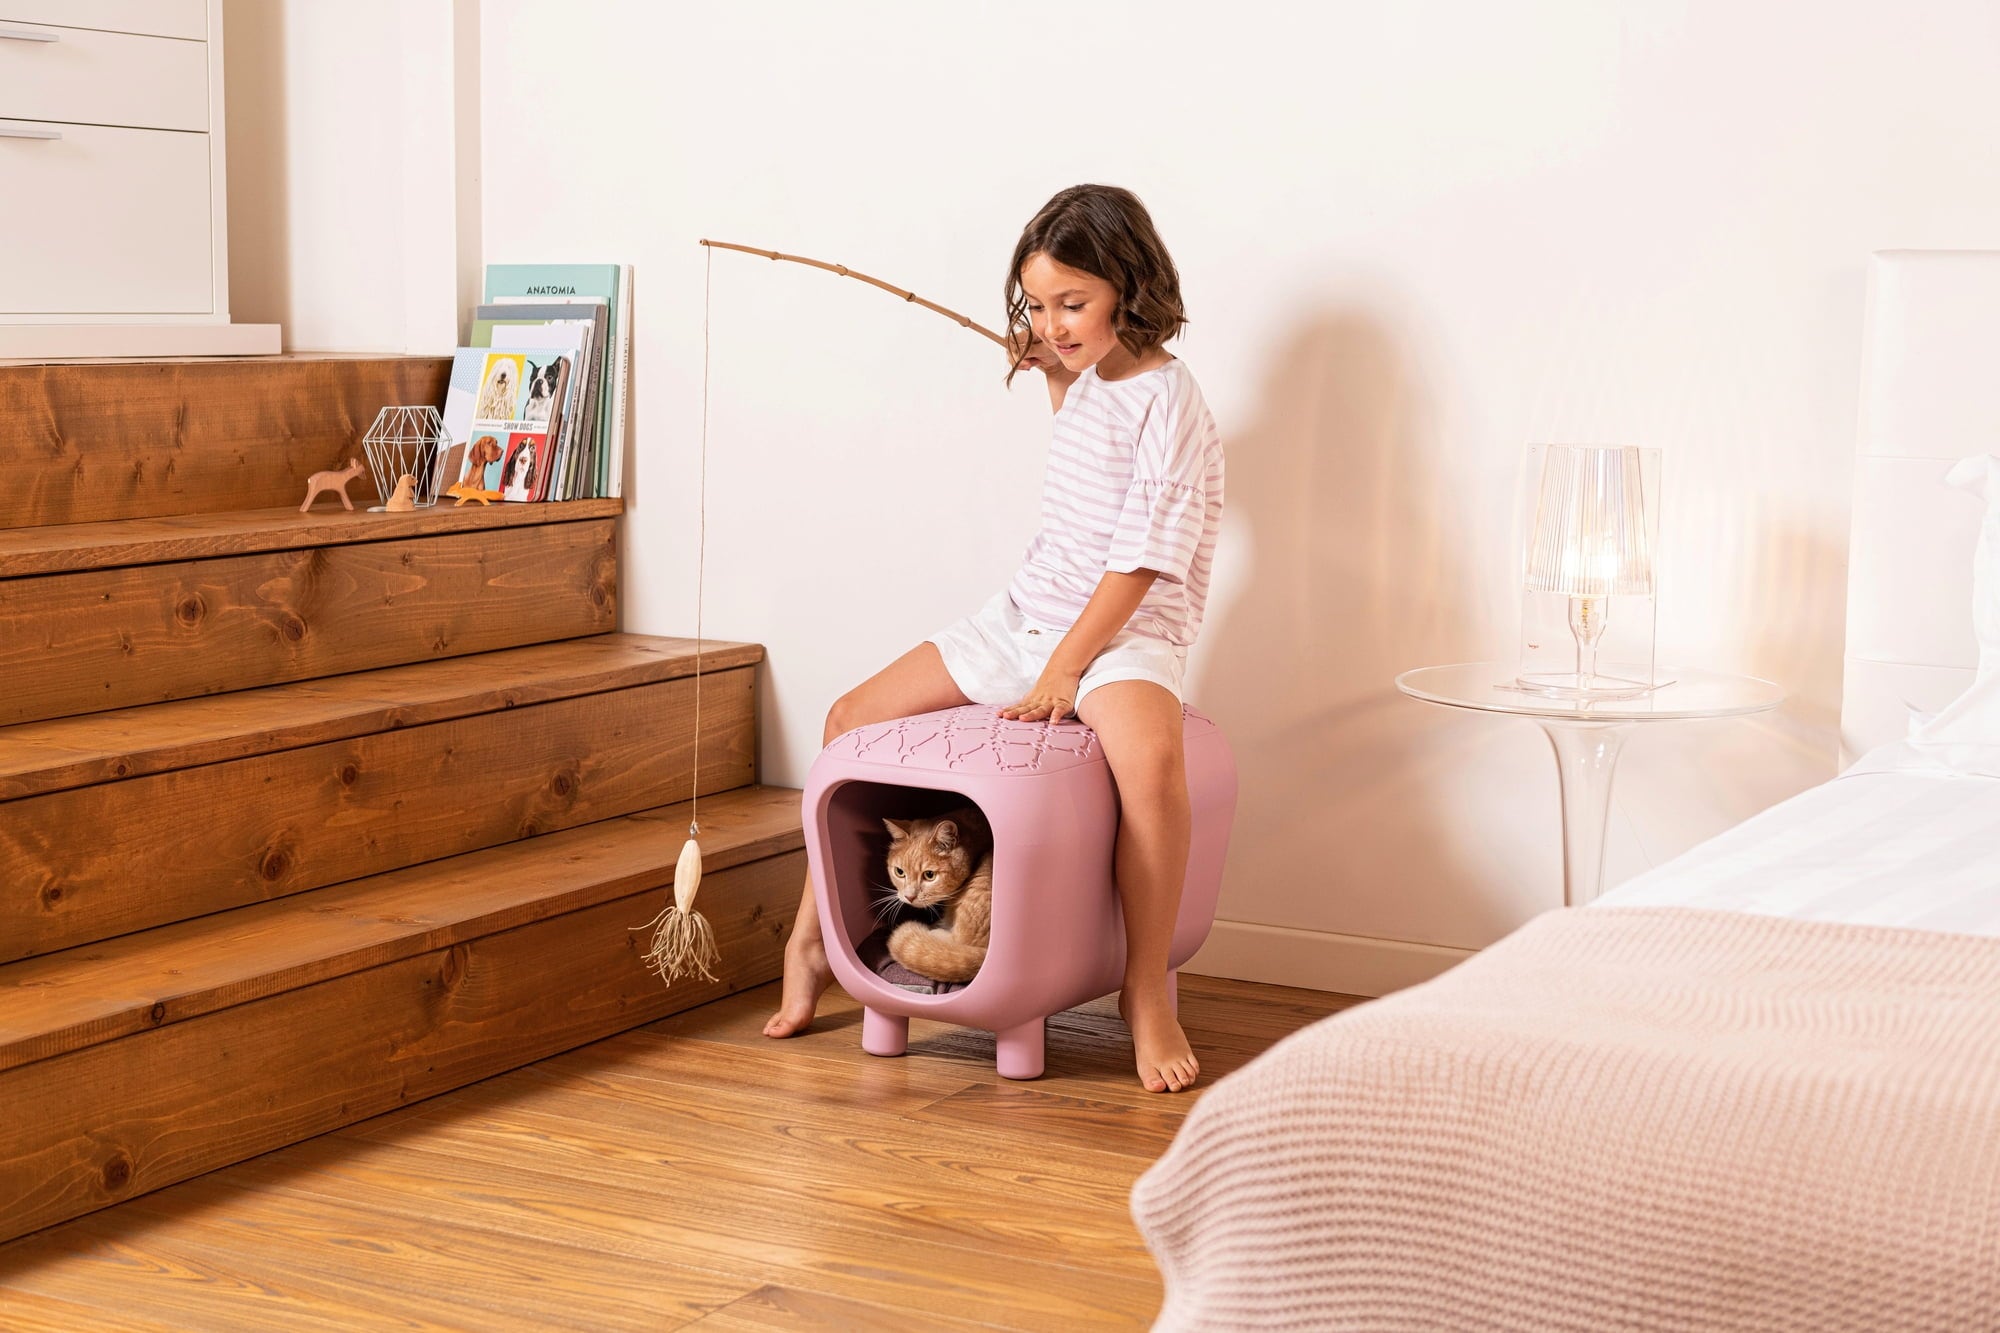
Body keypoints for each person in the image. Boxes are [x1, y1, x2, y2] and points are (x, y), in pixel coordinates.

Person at [763, 183, 1224, 1093]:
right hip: (1024, 615)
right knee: (849, 717)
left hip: (1126, 632)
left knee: (1153, 769)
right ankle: (811, 941)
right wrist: (1056, 373)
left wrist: (1065, 670)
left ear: (1130, 286)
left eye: (1072, 305)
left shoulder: (1172, 399)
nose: (1052, 324)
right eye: (1038, 306)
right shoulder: (1085, 377)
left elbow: (1138, 563)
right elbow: (1085, 469)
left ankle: (1144, 989)